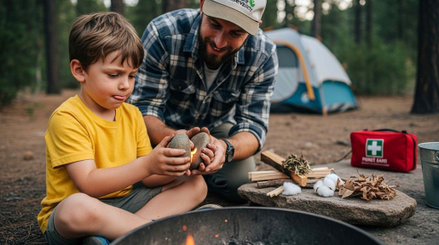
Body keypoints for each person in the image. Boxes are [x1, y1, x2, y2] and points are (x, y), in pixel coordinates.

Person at [37, 12, 207, 245]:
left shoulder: (132, 114)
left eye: (132, 76)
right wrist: (147, 164)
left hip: (125, 202)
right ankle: (161, 233)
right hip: (80, 210)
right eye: (114, 74)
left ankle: (122, 236)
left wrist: (174, 164)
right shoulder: (68, 118)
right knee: (76, 208)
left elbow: (148, 179)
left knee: (195, 184)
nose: (125, 85)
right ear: (79, 71)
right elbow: (89, 184)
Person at [129, 0, 278, 203]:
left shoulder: (263, 53)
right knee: (133, 172)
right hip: (158, 132)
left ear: (256, 25)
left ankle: (195, 187)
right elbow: (145, 108)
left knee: (241, 181)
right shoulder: (163, 33)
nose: (219, 42)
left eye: (235, 33)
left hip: (217, 131)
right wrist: (177, 140)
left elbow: (253, 127)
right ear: (202, 5)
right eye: (215, 24)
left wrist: (225, 149)